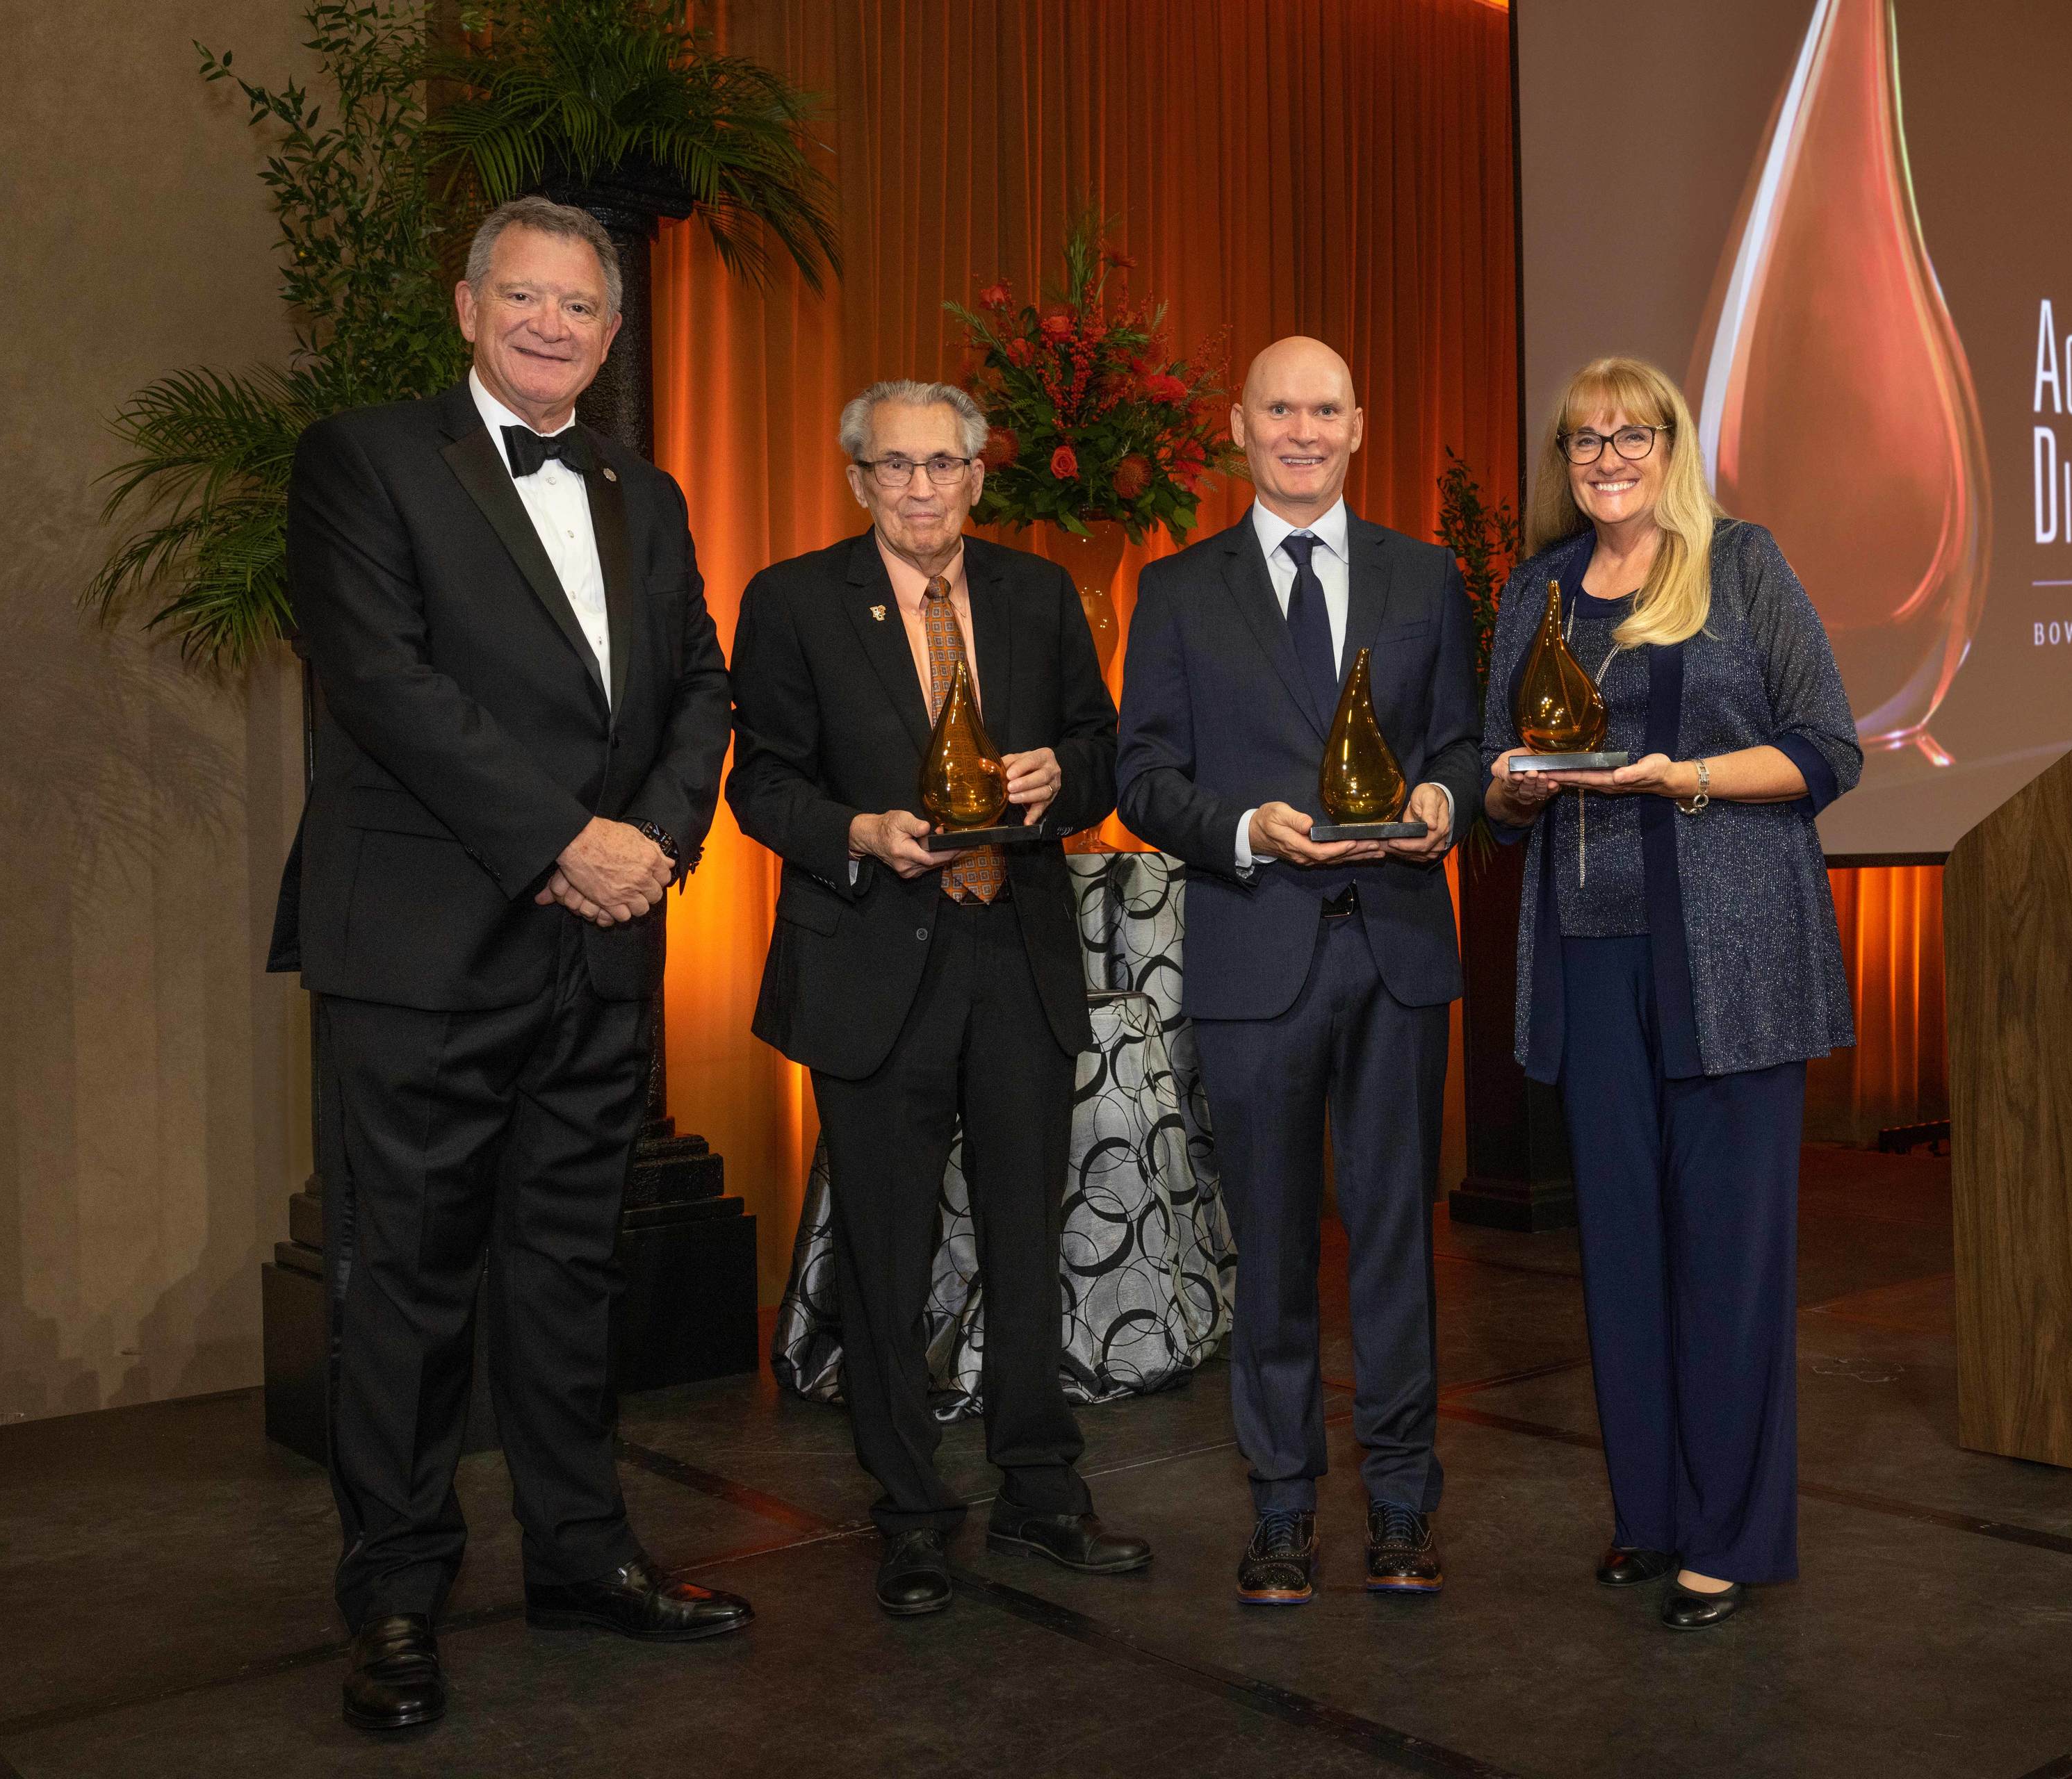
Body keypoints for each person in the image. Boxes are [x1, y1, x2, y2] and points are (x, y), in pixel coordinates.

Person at [274, 195, 747, 1734]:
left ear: (609, 339)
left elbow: (699, 683)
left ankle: (582, 1555)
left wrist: (653, 843)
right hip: (426, 943)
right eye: (524, 297)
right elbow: (381, 683)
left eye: (580, 306)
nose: (552, 324)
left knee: (569, 1269)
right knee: (404, 1285)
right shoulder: (364, 459)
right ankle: (395, 1597)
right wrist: (562, 840)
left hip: (600, 944)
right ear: (468, 307)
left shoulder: (643, 489)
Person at [725, 379, 1151, 1618]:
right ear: (856, 480)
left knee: (1027, 1238)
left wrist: (1061, 776)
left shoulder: (1038, 592)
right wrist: (857, 831)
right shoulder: (793, 600)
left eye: (943, 464)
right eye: (895, 466)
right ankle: (909, 1511)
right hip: (872, 957)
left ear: (976, 475)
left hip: (1015, 950)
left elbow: (1103, 750)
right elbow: (762, 783)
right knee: (885, 1251)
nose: (921, 488)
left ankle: (1040, 1493)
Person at [1480, 356, 1861, 1632]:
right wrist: (1508, 789)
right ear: (1563, 461)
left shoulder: (1741, 564)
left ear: (1671, 445)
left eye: (1630, 435)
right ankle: (1648, 1514)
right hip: (1588, 958)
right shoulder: (1534, 590)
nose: (1607, 458)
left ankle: (1729, 1537)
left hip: (1732, 962)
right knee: (1621, 1253)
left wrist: (1680, 777)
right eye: (1582, 440)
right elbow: (1492, 774)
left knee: (1727, 1259)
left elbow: (1827, 749)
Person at [1118, 336, 1482, 1605]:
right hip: (1253, 946)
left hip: (1396, 950)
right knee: (1269, 1255)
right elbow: (1141, 775)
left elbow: (1463, 743)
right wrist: (1241, 829)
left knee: (1396, 1247)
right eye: (1280, 408)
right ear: (1238, 427)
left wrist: (1444, 796)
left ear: (1359, 425)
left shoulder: (1424, 577)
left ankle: (1401, 1505)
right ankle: (1279, 1508)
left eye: (1325, 408)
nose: (1303, 430)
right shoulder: (1177, 589)